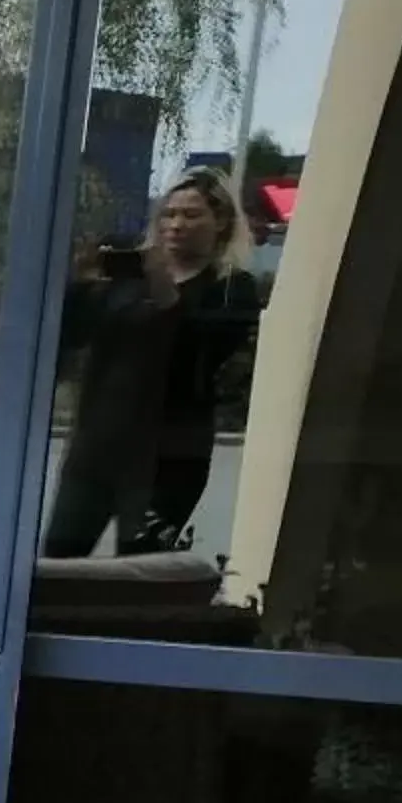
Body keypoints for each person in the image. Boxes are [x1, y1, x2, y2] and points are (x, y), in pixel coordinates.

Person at [42, 168, 262, 558]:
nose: (176, 224)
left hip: (169, 460)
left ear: (221, 222)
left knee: (140, 572)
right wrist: (79, 283)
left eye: (191, 215)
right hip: (96, 451)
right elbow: (70, 336)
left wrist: (162, 287)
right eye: (168, 213)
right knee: (59, 560)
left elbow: (199, 354)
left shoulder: (230, 288)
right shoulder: (128, 281)